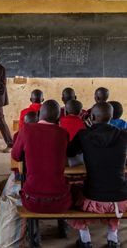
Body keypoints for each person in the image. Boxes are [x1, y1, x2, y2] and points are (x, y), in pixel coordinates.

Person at [67, 102, 127, 248]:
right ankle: (113, 237)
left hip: (92, 200)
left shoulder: (84, 135)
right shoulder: (123, 135)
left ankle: (85, 238)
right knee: (115, 184)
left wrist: (88, 129)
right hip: (121, 200)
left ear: (92, 117)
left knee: (70, 193)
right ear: (111, 117)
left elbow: (69, 152)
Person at [12, 100, 71, 213]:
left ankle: (30, 229)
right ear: (59, 120)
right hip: (60, 201)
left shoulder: (26, 130)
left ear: (38, 115)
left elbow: (16, 156)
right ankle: (63, 227)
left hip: (31, 201)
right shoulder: (63, 133)